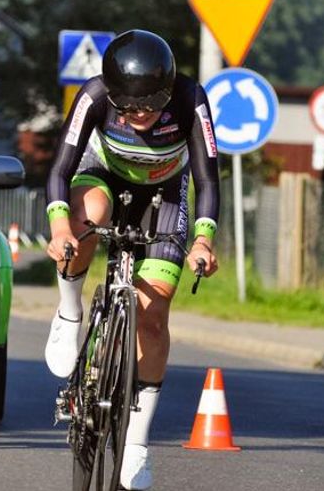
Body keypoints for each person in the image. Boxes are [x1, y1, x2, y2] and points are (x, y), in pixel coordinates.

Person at [45, 29, 219, 491]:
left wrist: (203, 241)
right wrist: (61, 228)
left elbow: (207, 178)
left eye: (150, 106)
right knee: (88, 217)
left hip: (165, 192)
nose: (140, 115)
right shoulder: (93, 95)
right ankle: (69, 309)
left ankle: (137, 443)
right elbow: (61, 168)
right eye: (128, 107)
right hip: (101, 175)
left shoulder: (190, 99)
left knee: (154, 315)